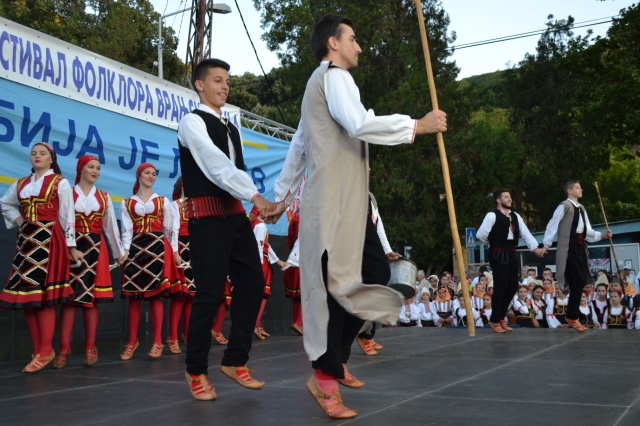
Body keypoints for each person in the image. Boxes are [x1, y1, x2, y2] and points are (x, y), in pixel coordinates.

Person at [263, 14, 447, 419]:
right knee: (337, 291)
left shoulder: (324, 84)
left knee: (374, 272)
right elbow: (360, 124)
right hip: (334, 204)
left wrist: (279, 196)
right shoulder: (333, 77)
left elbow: (298, 144)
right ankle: (325, 379)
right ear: (333, 42)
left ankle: (336, 360)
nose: (359, 46)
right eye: (354, 38)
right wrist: (417, 126)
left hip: (348, 203)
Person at [178, 58, 274, 400]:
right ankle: (196, 371)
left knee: (253, 283)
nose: (224, 87)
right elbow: (214, 164)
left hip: (234, 217)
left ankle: (235, 361)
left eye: (227, 82)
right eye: (217, 81)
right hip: (207, 219)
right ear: (199, 85)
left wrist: (257, 203)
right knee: (209, 293)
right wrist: (256, 196)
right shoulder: (191, 122)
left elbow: (237, 171)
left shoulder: (233, 127)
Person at [0, 143, 75, 373]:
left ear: (51, 159)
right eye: (34, 153)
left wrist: (71, 246)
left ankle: (45, 350)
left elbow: (68, 217)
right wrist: (19, 221)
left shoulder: (60, 182)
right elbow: (5, 203)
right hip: (27, 241)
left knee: (42, 294)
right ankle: (39, 349)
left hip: (49, 240)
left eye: (42, 153)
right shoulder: (22, 183)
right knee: (26, 297)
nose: (37, 157)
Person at [55, 156, 126, 369]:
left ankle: (90, 347)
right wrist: (69, 248)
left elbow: (111, 228)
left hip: (96, 249)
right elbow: (61, 222)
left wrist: (118, 252)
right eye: (90, 167)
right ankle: (64, 349)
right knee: (70, 299)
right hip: (73, 247)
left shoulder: (103, 196)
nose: (95, 171)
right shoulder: (68, 193)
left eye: (98, 168)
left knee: (90, 299)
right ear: (80, 169)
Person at [120, 163, 180, 361]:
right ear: (139, 175)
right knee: (134, 296)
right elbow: (127, 230)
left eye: (154, 174)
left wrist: (174, 252)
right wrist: (125, 250)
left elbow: (170, 230)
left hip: (157, 248)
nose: (151, 176)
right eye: (147, 173)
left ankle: (157, 341)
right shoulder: (127, 203)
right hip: (136, 249)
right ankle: (132, 341)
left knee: (155, 295)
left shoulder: (163, 201)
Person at [540, 180, 612, 332]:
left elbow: (588, 231)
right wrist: (546, 244)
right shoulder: (564, 206)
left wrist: (602, 235)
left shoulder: (582, 208)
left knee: (579, 280)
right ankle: (572, 316)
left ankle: (572, 315)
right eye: (578, 187)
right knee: (576, 279)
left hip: (579, 247)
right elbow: (552, 225)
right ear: (569, 191)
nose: (581, 189)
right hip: (568, 247)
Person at [476, 188, 542, 333]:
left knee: (512, 286)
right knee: (501, 285)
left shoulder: (516, 216)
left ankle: (499, 317)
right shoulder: (492, 215)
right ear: (498, 200)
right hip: (498, 253)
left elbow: (526, 233)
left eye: (510, 196)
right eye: (506, 197)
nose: (510, 199)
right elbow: (480, 234)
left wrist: (535, 249)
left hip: (511, 253)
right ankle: (494, 319)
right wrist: (495, 241)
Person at [249, 206, 288, 340]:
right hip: (261, 263)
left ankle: (258, 324)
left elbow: (265, 245)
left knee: (261, 295)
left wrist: (277, 261)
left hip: (262, 262)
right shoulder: (260, 226)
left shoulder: (257, 225)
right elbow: (259, 248)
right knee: (263, 295)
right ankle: (255, 324)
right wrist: (259, 267)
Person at [166, 177, 195, 354]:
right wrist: (175, 253)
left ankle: (187, 334)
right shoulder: (174, 205)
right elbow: (172, 230)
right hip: (180, 249)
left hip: (195, 249)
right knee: (179, 294)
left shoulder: (197, 206)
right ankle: (172, 337)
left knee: (192, 294)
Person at [283, 210, 303, 335]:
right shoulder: (307, 224)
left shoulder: (297, 218)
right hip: (301, 263)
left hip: (296, 262)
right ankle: (298, 322)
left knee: (298, 297)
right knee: (305, 296)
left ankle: (297, 322)